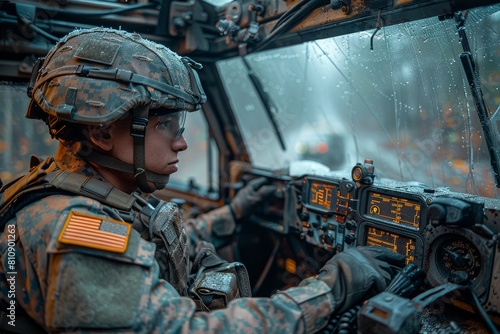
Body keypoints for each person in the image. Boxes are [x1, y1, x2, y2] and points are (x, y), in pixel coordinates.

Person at [0, 27, 404, 333]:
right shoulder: (76, 233)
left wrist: (233, 212)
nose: (181, 142)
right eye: (166, 125)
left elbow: (152, 240)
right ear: (102, 133)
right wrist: (333, 286)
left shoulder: (90, 191)